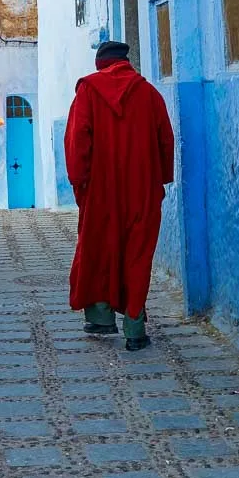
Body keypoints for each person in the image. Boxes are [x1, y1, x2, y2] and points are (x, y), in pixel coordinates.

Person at [64, 40, 175, 351]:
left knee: (99, 248)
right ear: (127, 62)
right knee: (138, 254)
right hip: (142, 187)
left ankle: (100, 317)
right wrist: (161, 178)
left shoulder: (88, 90)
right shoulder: (150, 94)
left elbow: (76, 141)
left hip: (100, 189)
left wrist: (80, 183)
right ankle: (135, 328)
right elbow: (166, 140)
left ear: (101, 63)